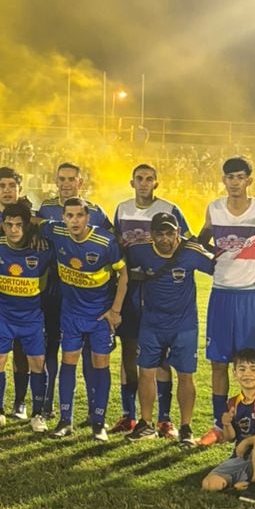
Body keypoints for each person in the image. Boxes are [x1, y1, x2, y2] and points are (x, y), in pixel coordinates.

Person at [110, 212, 215, 445]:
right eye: (160, 233)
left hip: (184, 325)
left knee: (185, 375)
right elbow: (119, 266)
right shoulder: (140, 251)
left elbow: (219, 267)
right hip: (151, 324)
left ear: (178, 233)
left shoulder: (190, 252)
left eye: (170, 233)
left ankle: (186, 427)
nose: (166, 238)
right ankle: (146, 424)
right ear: (152, 234)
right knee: (146, 372)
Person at [113, 164, 190, 438]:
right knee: (129, 351)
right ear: (132, 182)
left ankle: (164, 420)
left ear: (156, 183)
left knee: (162, 356)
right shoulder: (122, 209)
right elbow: (116, 246)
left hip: (159, 287)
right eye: (139, 179)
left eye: (149, 179)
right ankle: (129, 416)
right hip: (132, 287)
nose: (144, 183)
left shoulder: (170, 209)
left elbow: (187, 241)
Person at [200, 157, 255, 438]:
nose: (234, 182)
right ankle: (221, 423)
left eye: (240, 177)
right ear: (224, 180)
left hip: (249, 297)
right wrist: (219, 257)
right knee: (218, 362)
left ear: (249, 181)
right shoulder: (215, 208)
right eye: (230, 177)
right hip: (221, 294)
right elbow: (202, 238)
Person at [43, 197, 123, 441]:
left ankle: (99, 422)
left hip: (100, 315)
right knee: (68, 362)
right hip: (71, 314)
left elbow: (124, 272)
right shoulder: (56, 231)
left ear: (88, 217)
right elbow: (31, 221)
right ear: (63, 217)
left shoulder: (105, 241)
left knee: (100, 365)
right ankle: (65, 420)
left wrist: (115, 310)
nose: (74, 220)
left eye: (79, 215)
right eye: (69, 215)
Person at [36, 163, 110, 421]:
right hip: (54, 289)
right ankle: (47, 404)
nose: (66, 183)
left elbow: (110, 245)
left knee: (91, 352)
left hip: (87, 294)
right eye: (61, 179)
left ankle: (93, 409)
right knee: (52, 346)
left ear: (80, 182)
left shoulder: (96, 212)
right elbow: (30, 224)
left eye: (71, 179)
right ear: (55, 181)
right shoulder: (46, 208)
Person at [0, 201, 52, 430]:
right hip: (3, 317)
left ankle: (38, 415)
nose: (13, 229)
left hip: (32, 318)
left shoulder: (42, 248)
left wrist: (39, 230)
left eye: (19, 225)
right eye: (8, 224)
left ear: (27, 225)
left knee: (37, 365)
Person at [201, 348, 255, 506]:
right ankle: (247, 485)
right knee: (210, 484)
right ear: (234, 373)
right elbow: (230, 438)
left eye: (253, 370)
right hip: (243, 457)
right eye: (242, 369)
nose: (247, 374)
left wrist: (248, 441)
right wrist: (226, 424)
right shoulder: (233, 403)